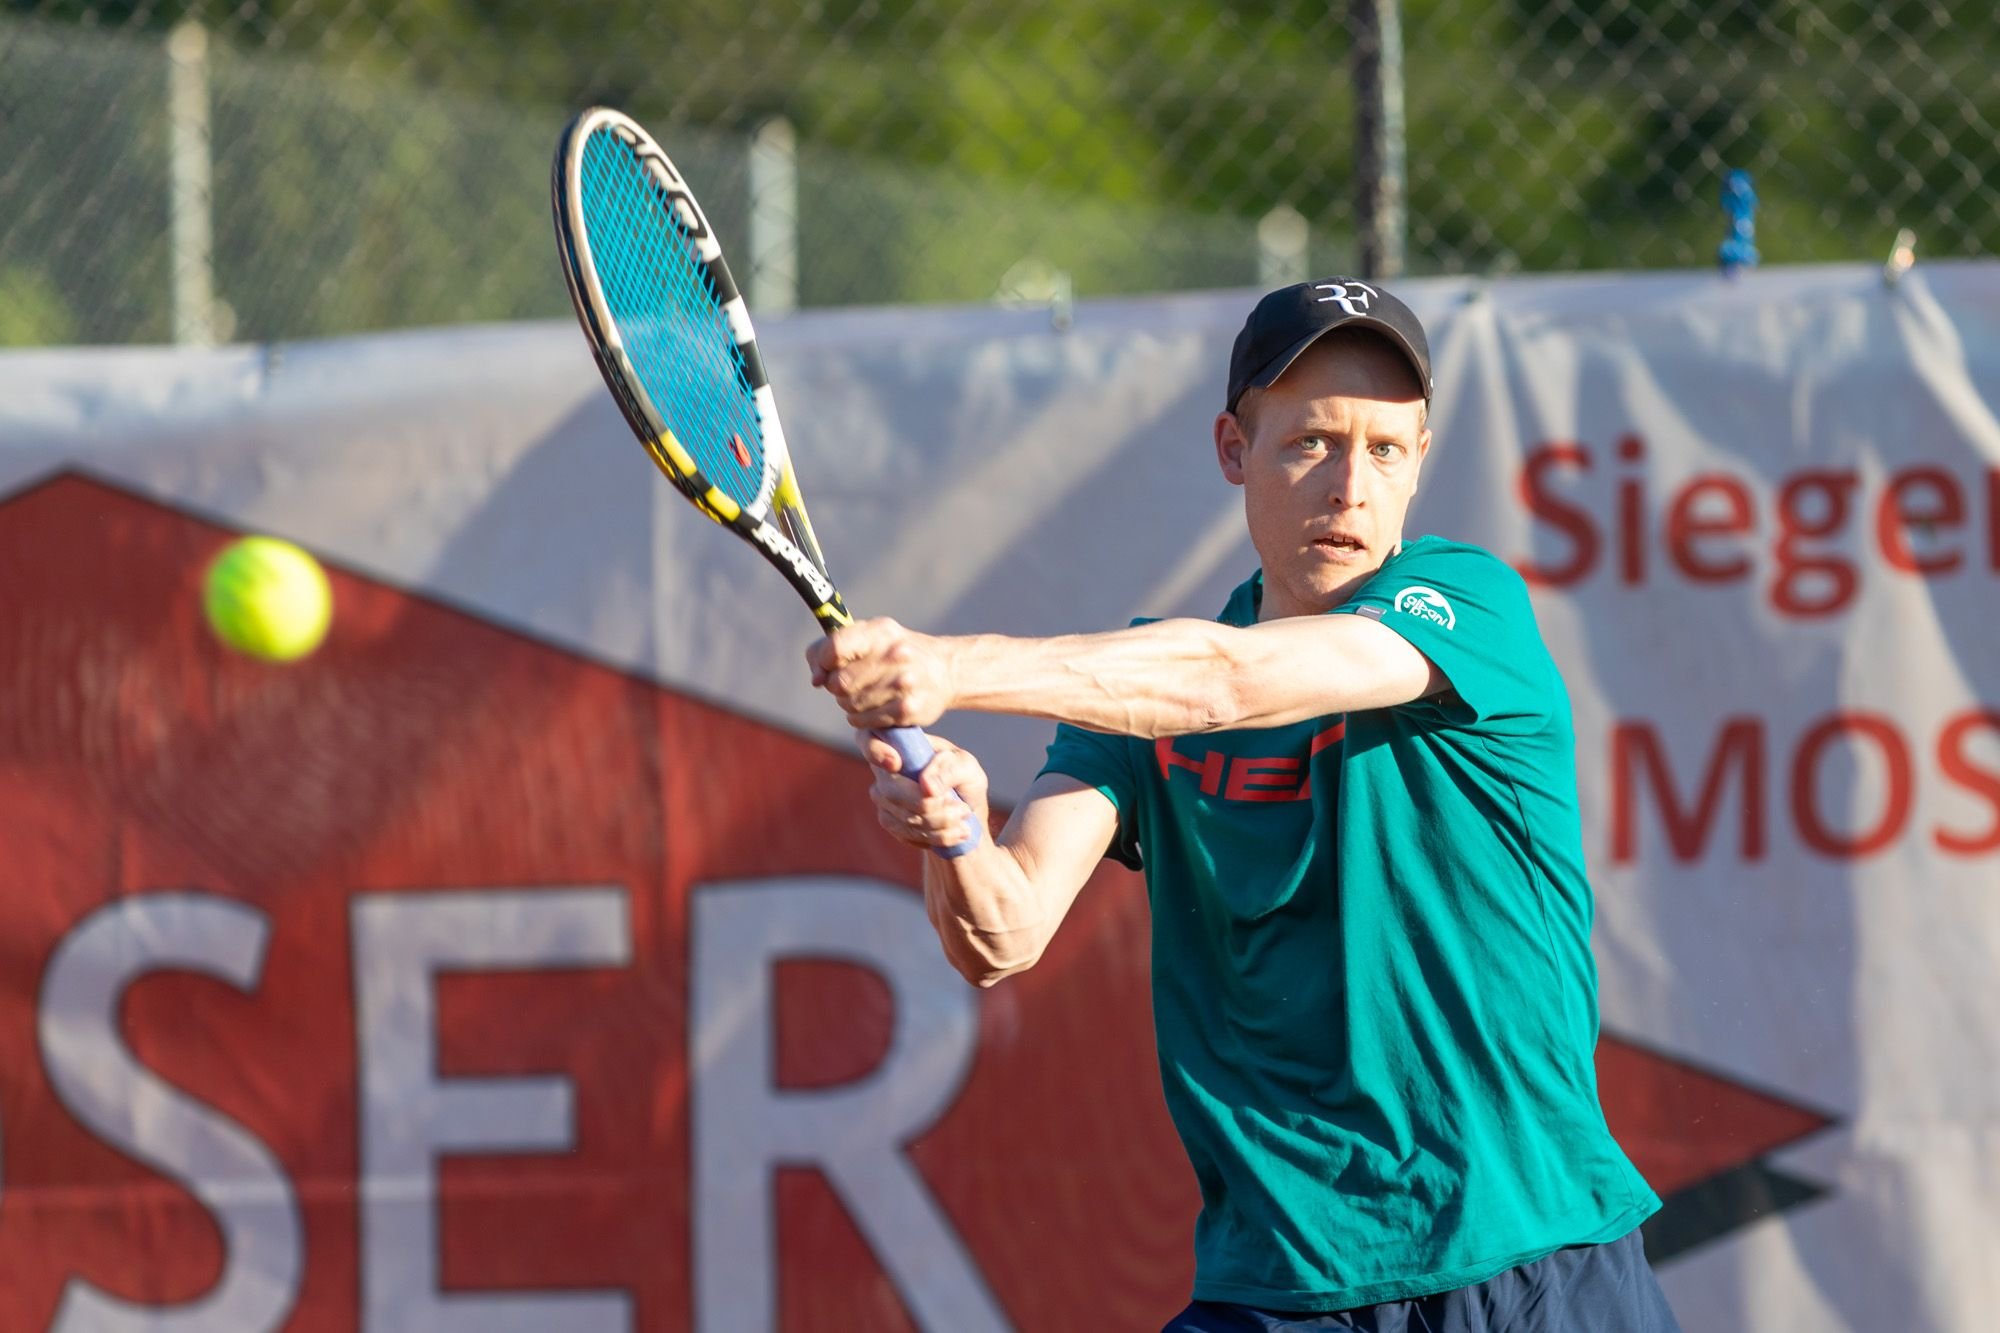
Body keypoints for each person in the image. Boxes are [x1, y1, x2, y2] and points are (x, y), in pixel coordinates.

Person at [806, 279, 1679, 1332]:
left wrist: (951, 665)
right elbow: (1002, 931)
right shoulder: (1134, 696)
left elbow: (1227, 681)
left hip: (1530, 1262)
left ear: (1418, 462)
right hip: (1277, 1286)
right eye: (1310, 442)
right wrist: (952, 836)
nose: (1350, 486)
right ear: (1233, 449)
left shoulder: (1468, 605)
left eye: (1386, 450)